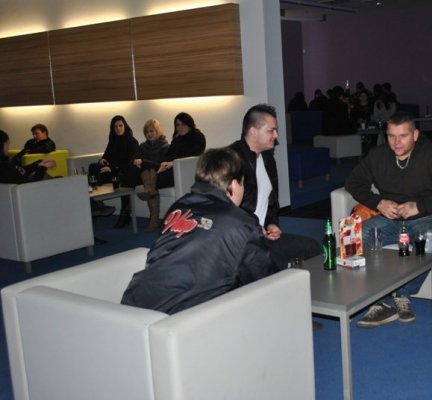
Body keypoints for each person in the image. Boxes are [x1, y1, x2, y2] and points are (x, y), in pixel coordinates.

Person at [345, 111, 432, 327]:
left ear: (415, 135)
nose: (396, 142)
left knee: (431, 238)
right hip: (390, 219)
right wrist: (378, 203)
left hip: (427, 217)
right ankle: (377, 298)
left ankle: (402, 295)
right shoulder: (378, 156)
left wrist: (420, 206)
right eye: (391, 136)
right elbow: (353, 183)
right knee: (354, 236)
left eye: (403, 136)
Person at [120, 147, 280, 314]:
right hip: (178, 318)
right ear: (233, 184)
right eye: (242, 183)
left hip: (133, 303)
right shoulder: (242, 224)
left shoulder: (178, 206)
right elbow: (267, 282)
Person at [229, 104, 321, 269]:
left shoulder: (267, 158)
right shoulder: (231, 160)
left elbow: (271, 201)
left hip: (261, 235)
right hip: (241, 242)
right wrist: (256, 229)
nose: (276, 135)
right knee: (280, 265)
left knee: (312, 249)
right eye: (271, 131)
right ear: (253, 131)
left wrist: (270, 223)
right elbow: (227, 210)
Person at [0, 129, 115, 217]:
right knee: (69, 184)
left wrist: (39, 163)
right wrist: (43, 168)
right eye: (7, 144)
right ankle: (92, 207)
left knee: (62, 179)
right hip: (32, 193)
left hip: (30, 189)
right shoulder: (4, 167)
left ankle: (92, 206)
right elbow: (30, 185)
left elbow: (22, 170)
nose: (8, 147)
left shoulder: (5, 164)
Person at [136, 112, 206, 230]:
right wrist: (163, 164)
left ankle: (153, 217)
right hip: (170, 170)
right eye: (177, 125)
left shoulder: (198, 137)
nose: (180, 127)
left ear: (190, 124)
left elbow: (193, 154)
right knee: (147, 167)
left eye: (183, 124)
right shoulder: (177, 139)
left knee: (150, 178)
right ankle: (150, 193)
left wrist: (173, 163)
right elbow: (168, 155)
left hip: (183, 172)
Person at [88, 116, 139, 228]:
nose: (118, 128)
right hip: (110, 172)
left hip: (122, 172)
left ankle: (124, 213)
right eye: (115, 127)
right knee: (93, 167)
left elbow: (130, 164)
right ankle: (95, 202)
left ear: (125, 126)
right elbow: (105, 157)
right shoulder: (113, 141)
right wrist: (102, 160)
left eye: (120, 125)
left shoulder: (132, 142)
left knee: (127, 173)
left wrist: (112, 168)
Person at [121, 119, 169, 231]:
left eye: (152, 131)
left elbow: (161, 165)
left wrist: (143, 162)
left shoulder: (165, 146)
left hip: (159, 175)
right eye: (146, 132)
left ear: (158, 131)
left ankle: (150, 216)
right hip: (142, 176)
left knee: (147, 166)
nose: (149, 134)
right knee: (135, 168)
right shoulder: (142, 146)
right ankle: (153, 218)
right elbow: (133, 160)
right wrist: (137, 161)